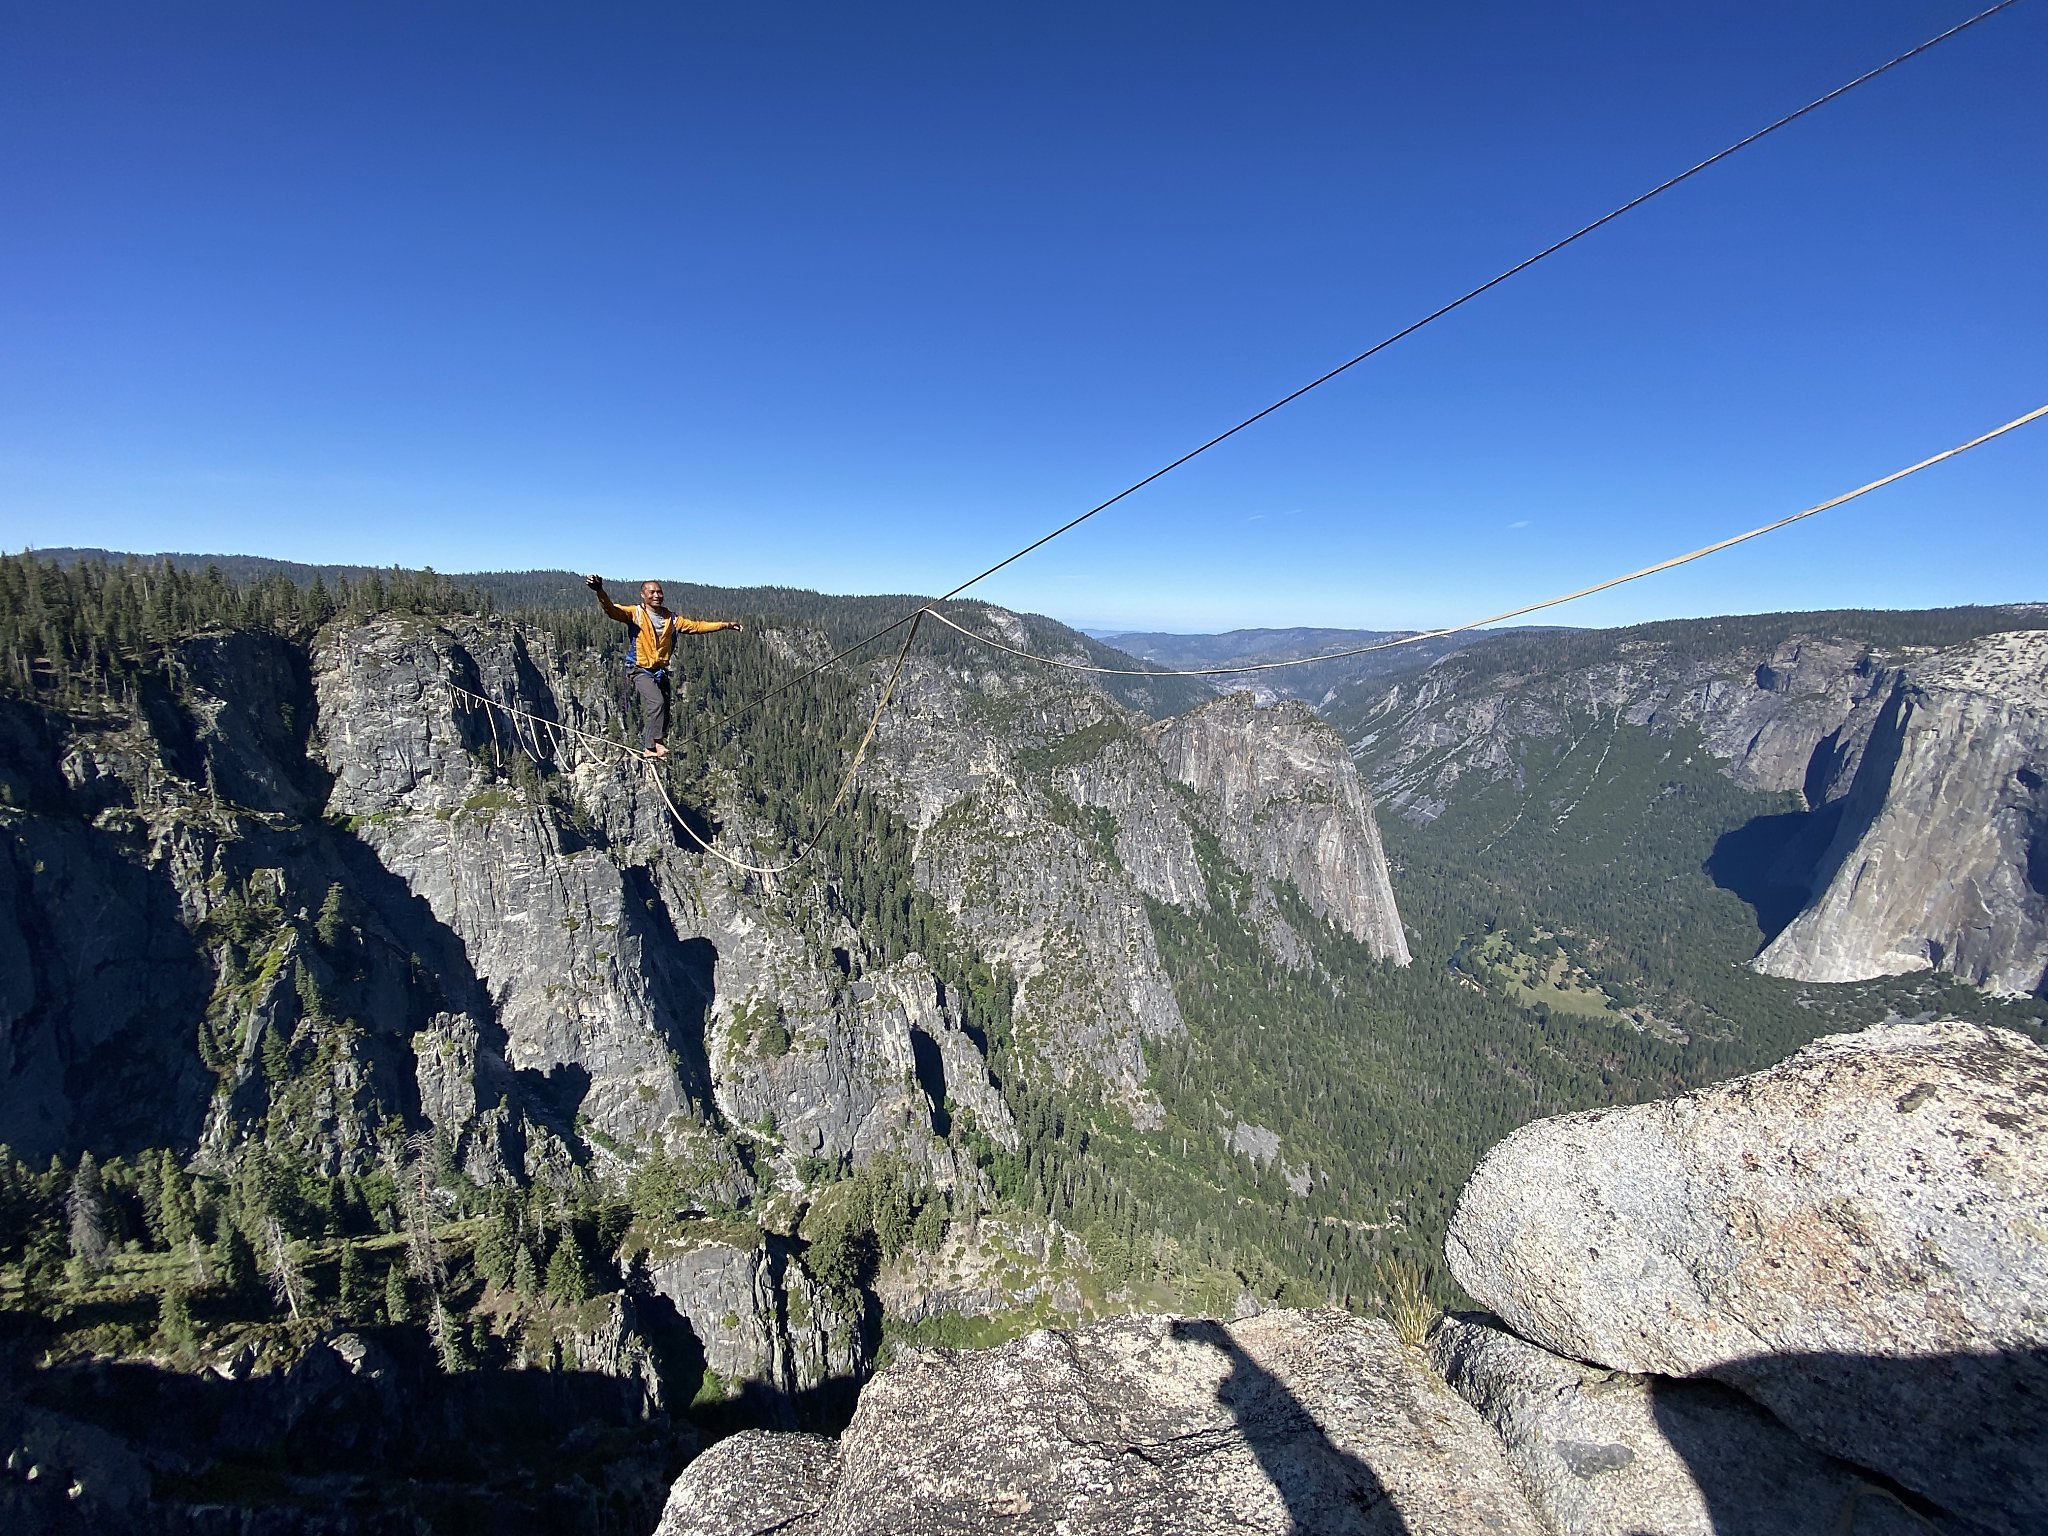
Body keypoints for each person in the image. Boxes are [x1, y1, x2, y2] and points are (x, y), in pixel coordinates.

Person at [586, 575, 743, 758]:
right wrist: (600, 591)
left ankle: (651, 746)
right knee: (657, 702)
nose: (656, 595)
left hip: (658, 670)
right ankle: (654, 745)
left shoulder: (671, 619)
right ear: (642, 595)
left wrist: (725, 625)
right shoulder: (635, 613)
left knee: (665, 709)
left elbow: (697, 626)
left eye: (659, 592)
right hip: (639, 668)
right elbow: (611, 610)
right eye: (651, 592)